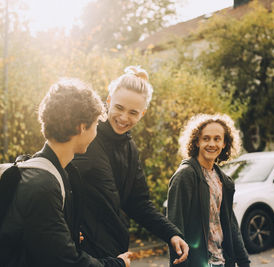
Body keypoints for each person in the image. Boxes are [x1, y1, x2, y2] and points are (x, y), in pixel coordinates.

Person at [0, 78, 131, 267]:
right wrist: (118, 264)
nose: (96, 132)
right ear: (82, 127)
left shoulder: (54, 172)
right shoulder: (43, 185)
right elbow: (67, 261)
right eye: (95, 125)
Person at [70, 66, 189, 265]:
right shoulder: (85, 136)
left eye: (133, 112)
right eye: (119, 108)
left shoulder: (130, 150)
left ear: (142, 114)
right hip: (81, 256)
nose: (124, 118)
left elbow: (139, 203)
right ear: (108, 102)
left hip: (115, 255)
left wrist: (171, 234)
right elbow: (60, 187)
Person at [167, 114, 250, 267]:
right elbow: (175, 228)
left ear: (224, 143)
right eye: (206, 138)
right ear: (197, 141)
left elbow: (231, 225)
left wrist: (244, 262)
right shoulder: (185, 176)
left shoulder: (224, 181)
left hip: (223, 262)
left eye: (217, 139)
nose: (211, 144)